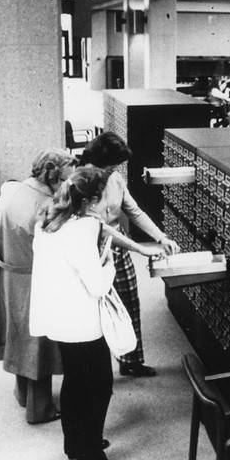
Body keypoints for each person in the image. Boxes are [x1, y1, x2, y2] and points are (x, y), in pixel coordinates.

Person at [29, 166, 128, 460]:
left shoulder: (48, 219)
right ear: (91, 200)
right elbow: (97, 285)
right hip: (80, 320)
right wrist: (109, 265)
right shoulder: (83, 227)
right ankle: (92, 457)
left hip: (57, 315)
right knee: (99, 386)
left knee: (74, 381)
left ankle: (74, 442)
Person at [0, 148, 77, 423]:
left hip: (9, 275)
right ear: (53, 173)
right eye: (65, 178)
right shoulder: (44, 205)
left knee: (19, 338)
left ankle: (23, 394)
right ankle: (40, 409)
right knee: (38, 346)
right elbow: (59, 247)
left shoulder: (15, 190)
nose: (67, 184)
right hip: (33, 279)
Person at [80, 133, 180, 378]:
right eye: (111, 165)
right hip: (90, 247)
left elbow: (134, 211)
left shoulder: (115, 178)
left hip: (117, 244)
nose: (113, 170)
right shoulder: (79, 182)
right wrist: (139, 247)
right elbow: (97, 228)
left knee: (129, 302)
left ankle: (131, 361)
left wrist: (161, 237)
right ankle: (96, 368)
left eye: (116, 166)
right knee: (96, 309)